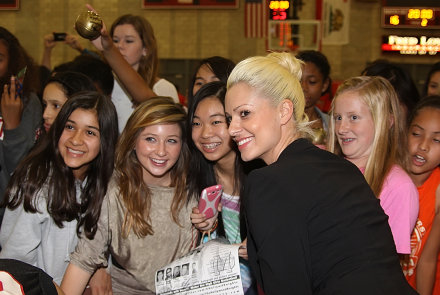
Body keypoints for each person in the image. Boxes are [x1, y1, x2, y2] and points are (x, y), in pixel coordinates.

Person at [224, 52, 418, 294]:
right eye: (229, 118)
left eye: (245, 113)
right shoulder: (340, 166)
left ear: (284, 111)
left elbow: (288, 286)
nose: (232, 129)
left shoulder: (268, 182)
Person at [61, 97, 196, 295]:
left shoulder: (193, 190)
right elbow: (85, 256)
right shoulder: (114, 188)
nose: (160, 151)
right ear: (133, 141)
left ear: (182, 144)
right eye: (150, 139)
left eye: (171, 141)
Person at [0, 91, 118, 287]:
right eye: (70, 127)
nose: (76, 139)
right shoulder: (36, 182)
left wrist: (100, 266)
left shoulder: (105, 181)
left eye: (90, 132)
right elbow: (16, 261)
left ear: (105, 140)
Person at [327, 76, 419, 259]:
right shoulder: (327, 170)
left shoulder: (397, 187)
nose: (342, 128)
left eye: (354, 117)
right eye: (338, 117)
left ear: (386, 121)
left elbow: (386, 265)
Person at [187, 81, 257, 294]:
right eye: (197, 124)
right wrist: (204, 230)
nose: (205, 134)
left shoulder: (262, 178)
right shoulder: (193, 180)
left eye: (216, 122)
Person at [0, 27, 42, 226]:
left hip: (9, 213)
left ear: (12, 63)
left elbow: (22, 170)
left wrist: (12, 126)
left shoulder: (26, 102)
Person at [404, 96, 440, 295]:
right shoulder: (385, 178)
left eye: (437, 140)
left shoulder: (438, 190)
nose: (424, 146)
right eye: (417, 134)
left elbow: (427, 259)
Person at [296, 50, 331, 147]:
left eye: (312, 82)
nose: (303, 88)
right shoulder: (280, 122)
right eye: (298, 80)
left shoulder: (332, 125)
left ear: (324, 85)